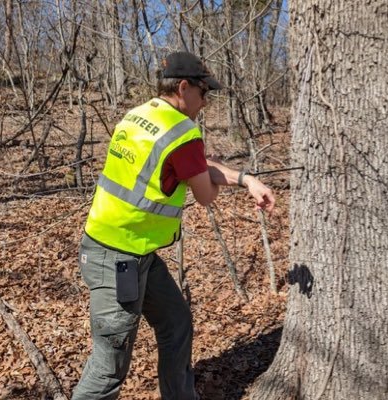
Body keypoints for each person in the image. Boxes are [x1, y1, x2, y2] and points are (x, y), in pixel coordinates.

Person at [72, 51, 275, 400]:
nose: (206, 99)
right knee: (109, 369)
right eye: (203, 91)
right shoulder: (182, 132)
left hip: (136, 252)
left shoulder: (142, 115)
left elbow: (193, 164)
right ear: (183, 87)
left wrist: (245, 178)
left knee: (176, 324)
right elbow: (205, 192)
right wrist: (223, 182)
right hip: (118, 260)